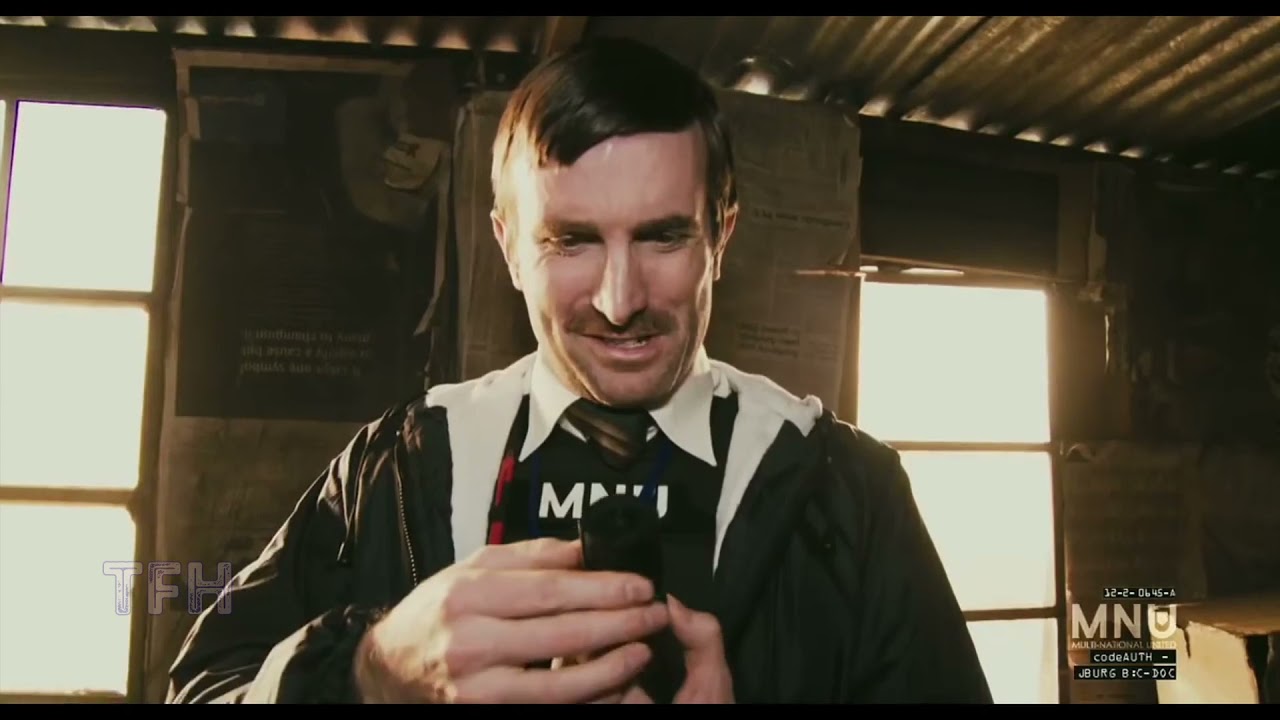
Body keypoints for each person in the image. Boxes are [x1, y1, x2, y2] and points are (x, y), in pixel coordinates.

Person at [166, 37, 993, 705]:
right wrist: (368, 676)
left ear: (722, 236)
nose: (619, 301)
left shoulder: (847, 491)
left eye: (663, 236)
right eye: (571, 241)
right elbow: (203, 687)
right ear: (507, 246)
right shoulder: (401, 465)